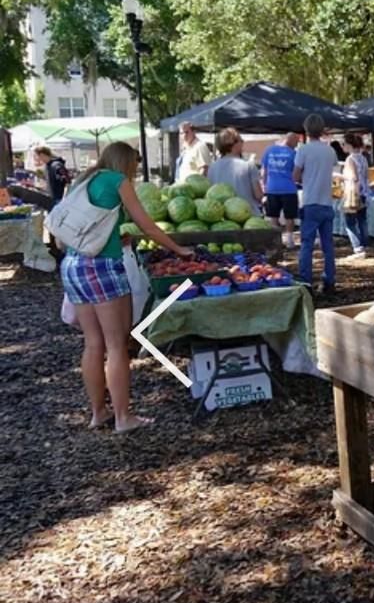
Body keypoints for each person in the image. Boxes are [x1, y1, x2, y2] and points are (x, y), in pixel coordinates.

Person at [61, 143, 192, 434]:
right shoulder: (117, 181)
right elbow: (148, 226)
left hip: (72, 266)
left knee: (92, 343)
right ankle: (123, 417)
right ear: (127, 163)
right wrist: (178, 250)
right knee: (117, 345)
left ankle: (99, 413)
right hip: (103, 269)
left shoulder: (83, 180)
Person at [294, 114, 338, 294]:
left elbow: (295, 176)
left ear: (306, 130)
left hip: (310, 202)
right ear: (322, 130)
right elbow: (334, 169)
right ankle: (329, 279)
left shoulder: (303, 150)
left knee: (307, 245)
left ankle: (306, 280)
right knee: (328, 246)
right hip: (326, 203)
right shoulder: (330, 151)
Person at [208, 128, 264, 217]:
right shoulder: (248, 165)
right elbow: (258, 195)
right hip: (248, 218)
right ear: (233, 144)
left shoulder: (212, 167)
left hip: (222, 218)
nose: (243, 142)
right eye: (241, 140)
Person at [261, 133, 300, 249]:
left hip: (272, 188)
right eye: (296, 142)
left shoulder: (269, 150)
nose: (297, 144)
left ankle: (275, 241)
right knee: (290, 217)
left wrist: (264, 185)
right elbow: (296, 173)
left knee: (273, 217)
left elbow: (264, 170)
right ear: (290, 141)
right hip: (289, 189)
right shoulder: (293, 154)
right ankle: (289, 240)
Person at [340, 133, 370, 261]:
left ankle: (358, 247)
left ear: (349, 145)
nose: (342, 147)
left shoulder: (350, 159)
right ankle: (364, 244)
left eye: (343, 144)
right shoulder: (363, 158)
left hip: (353, 193)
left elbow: (353, 177)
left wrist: (338, 175)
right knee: (362, 220)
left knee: (350, 223)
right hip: (363, 192)